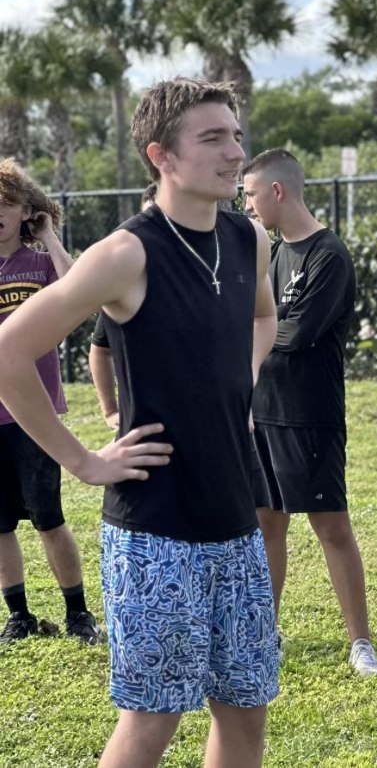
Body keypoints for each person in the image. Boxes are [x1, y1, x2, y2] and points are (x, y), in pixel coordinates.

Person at [0, 78, 279, 768]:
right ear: (162, 155)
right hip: (155, 530)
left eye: (235, 135)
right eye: (212, 138)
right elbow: (8, 351)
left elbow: (264, 315)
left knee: (246, 709)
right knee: (152, 720)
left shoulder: (250, 238)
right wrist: (81, 461)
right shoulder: (128, 253)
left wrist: (233, 379)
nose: (233, 151)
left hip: (236, 517)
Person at [242, 148, 377, 678]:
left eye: (251, 194)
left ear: (277, 191)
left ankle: (361, 642)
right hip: (264, 412)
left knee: (331, 526)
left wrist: (249, 333)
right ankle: (266, 634)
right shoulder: (272, 254)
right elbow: (259, 322)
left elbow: (295, 333)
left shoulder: (329, 255)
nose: (247, 205)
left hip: (311, 413)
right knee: (265, 522)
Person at [0, 159, 99, 646]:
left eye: (8, 204)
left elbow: (80, 293)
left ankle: (77, 612)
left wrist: (50, 236)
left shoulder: (39, 264)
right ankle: (17, 615)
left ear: (26, 211)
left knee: (49, 518)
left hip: (32, 416)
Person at [89, 183, 158, 431]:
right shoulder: (124, 281)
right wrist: (110, 411)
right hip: (142, 427)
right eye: (147, 218)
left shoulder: (209, 273)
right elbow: (100, 349)